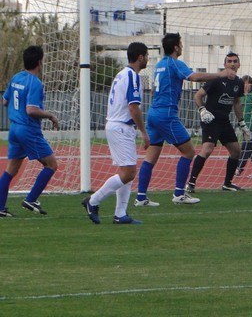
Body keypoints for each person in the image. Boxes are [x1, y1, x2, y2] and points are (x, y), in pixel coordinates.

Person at [135, 33, 236, 207]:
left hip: (153, 112)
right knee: (189, 152)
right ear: (175, 47)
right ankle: (179, 193)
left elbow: (153, 90)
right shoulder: (175, 63)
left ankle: (141, 197)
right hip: (166, 114)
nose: (181, 47)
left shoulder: (159, 65)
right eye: (180, 44)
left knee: (151, 157)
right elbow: (194, 77)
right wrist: (221, 74)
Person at [82, 42, 150, 225]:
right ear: (140, 57)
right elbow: (133, 108)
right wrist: (144, 132)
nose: (147, 59)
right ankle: (93, 201)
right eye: (146, 56)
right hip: (121, 126)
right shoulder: (132, 76)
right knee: (128, 173)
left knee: (127, 170)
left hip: (117, 125)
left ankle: (120, 214)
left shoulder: (121, 74)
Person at [0, 45, 59, 217]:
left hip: (14, 128)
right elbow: (31, 110)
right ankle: (31, 200)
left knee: (10, 170)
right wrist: (50, 115)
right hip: (28, 130)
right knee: (51, 164)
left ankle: (0, 208)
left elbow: (4, 101)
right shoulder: (35, 83)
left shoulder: (16, 77)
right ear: (39, 62)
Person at [187, 52, 246, 193]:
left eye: (235, 61)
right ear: (225, 64)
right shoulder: (216, 79)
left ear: (239, 64)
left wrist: (242, 123)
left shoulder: (239, 82)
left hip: (224, 121)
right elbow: (198, 96)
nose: (232, 64)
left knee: (236, 151)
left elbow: (237, 103)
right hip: (210, 120)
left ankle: (227, 184)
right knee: (207, 149)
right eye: (229, 61)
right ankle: (191, 183)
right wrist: (202, 110)